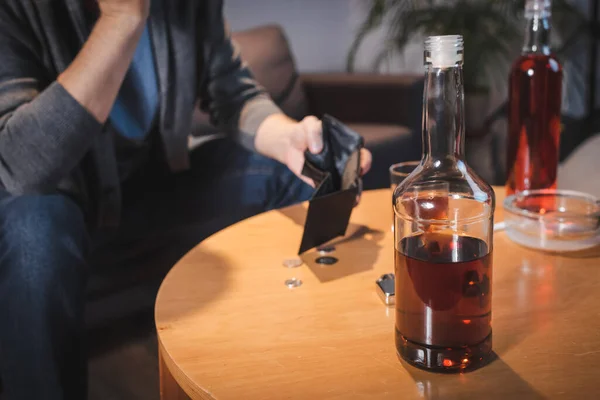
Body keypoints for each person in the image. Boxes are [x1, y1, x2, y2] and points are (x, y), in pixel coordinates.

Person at [0, 0, 372, 398]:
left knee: (293, 174)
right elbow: (24, 167)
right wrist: (122, 19)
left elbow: (234, 95)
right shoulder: (18, 10)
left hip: (151, 194)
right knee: (34, 230)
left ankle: (312, 361)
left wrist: (289, 138)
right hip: (55, 209)